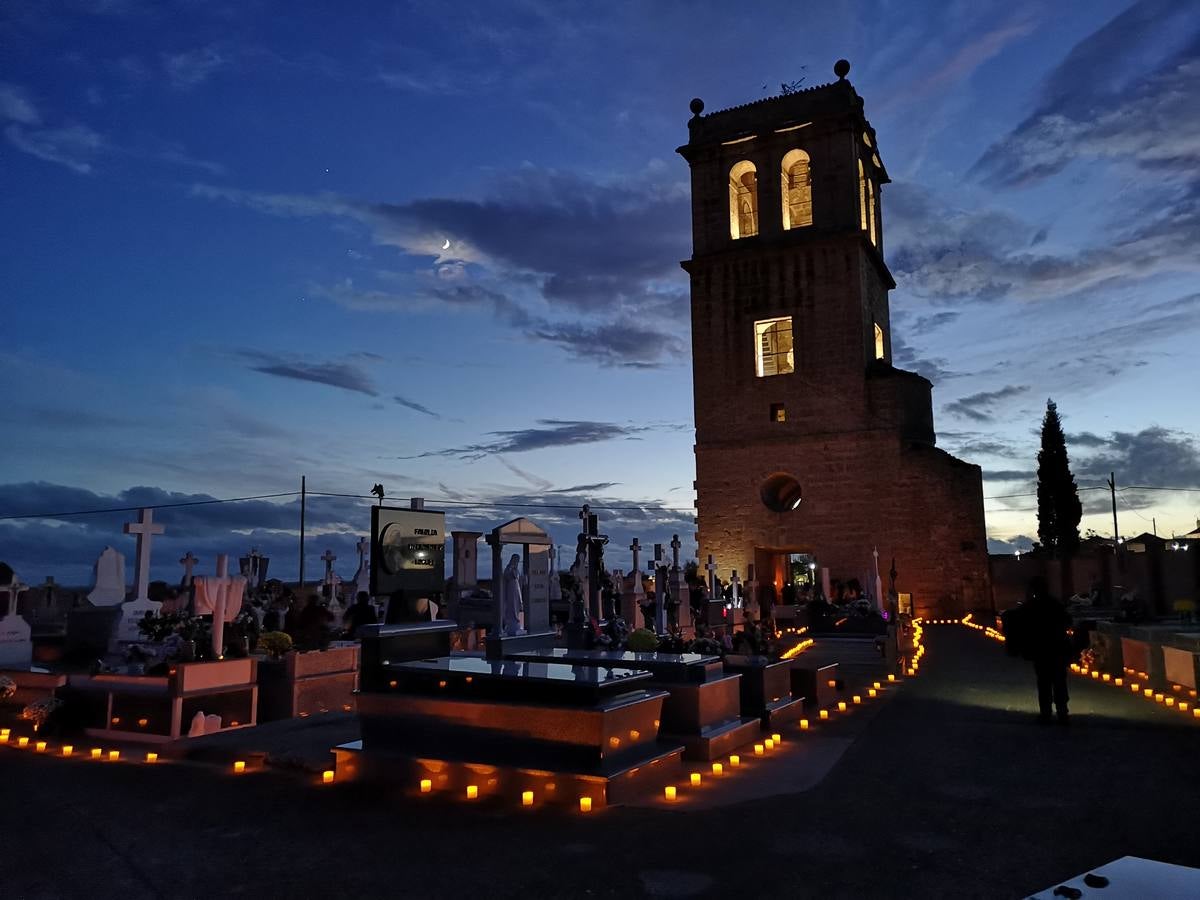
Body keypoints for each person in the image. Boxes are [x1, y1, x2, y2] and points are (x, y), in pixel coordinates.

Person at [1024, 576, 1072, 725]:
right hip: (1056, 648)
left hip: (1043, 650)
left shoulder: (1033, 606)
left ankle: (1047, 712)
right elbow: (1067, 622)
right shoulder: (1055, 604)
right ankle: (1062, 712)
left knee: (1045, 681)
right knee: (1058, 681)